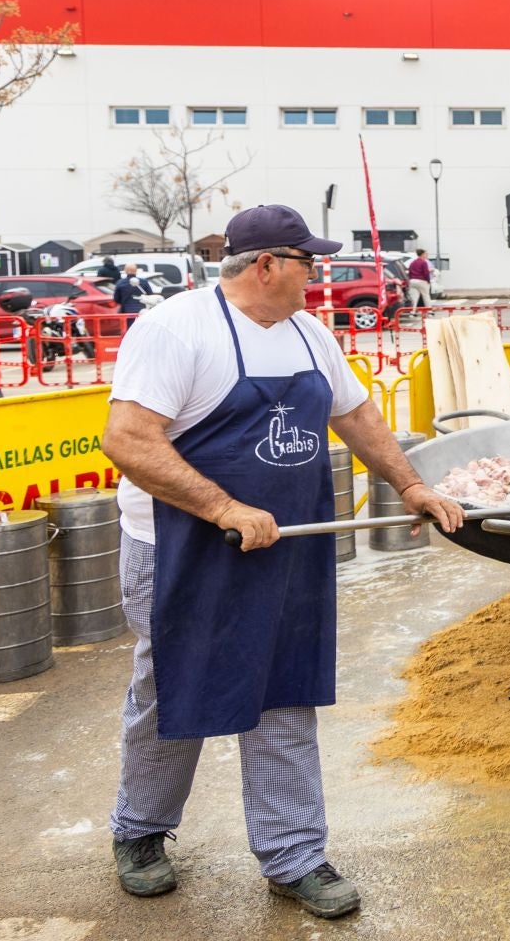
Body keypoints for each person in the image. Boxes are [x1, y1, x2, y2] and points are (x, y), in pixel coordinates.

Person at [100, 205, 464, 919]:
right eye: (309, 263)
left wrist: (412, 484)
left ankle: (293, 856)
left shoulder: (310, 335)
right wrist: (222, 508)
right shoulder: (177, 330)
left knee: (283, 694)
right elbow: (128, 440)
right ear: (266, 265)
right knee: (173, 689)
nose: (318, 276)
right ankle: (139, 831)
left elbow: (357, 417)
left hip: (284, 550)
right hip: (180, 547)